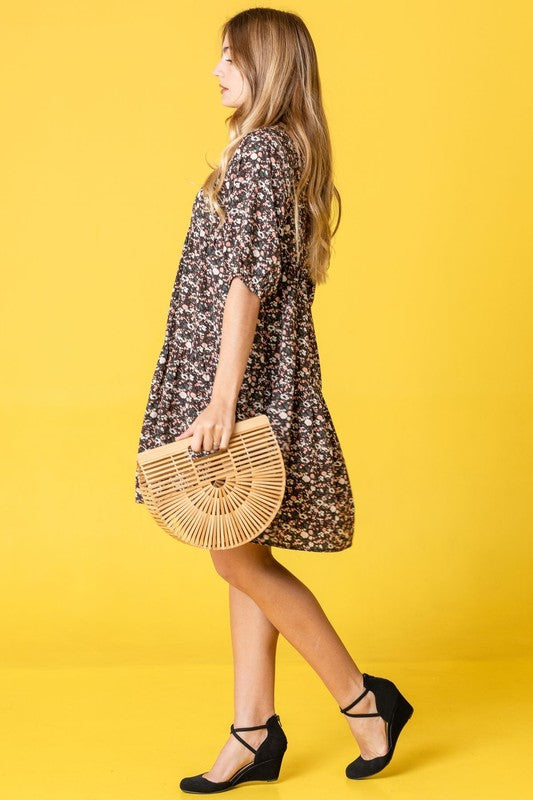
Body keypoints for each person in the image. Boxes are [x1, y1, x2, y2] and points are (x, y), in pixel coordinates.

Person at [135, 7, 414, 793]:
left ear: (267, 66)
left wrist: (221, 398)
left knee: (234, 555)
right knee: (244, 554)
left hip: (242, 383)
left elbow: (247, 283)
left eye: (229, 56)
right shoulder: (275, 149)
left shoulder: (260, 152)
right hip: (254, 377)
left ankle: (364, 702)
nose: (215, 70)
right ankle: (252, 731)